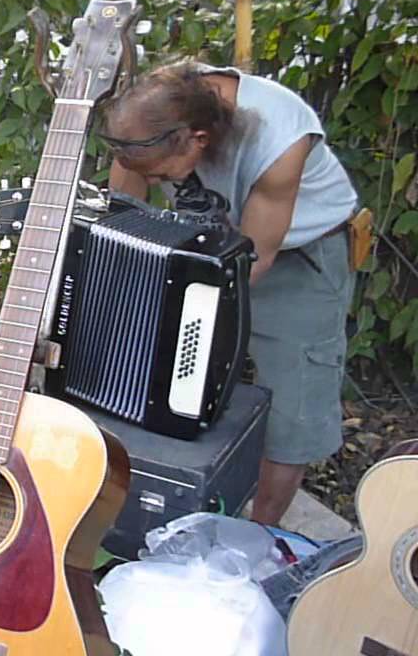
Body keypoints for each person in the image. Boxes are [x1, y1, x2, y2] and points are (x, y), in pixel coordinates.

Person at [100, 60, 359, 526]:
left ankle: (259, 537)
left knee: (291, 411)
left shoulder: (279, 138)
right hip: (198, 245)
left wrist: (177, 306)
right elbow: (125, 210)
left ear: (198, 139)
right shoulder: (154, 113)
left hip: (294, 258)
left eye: (162, 176)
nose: (160, 184)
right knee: (165, 379)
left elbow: (254, 261)